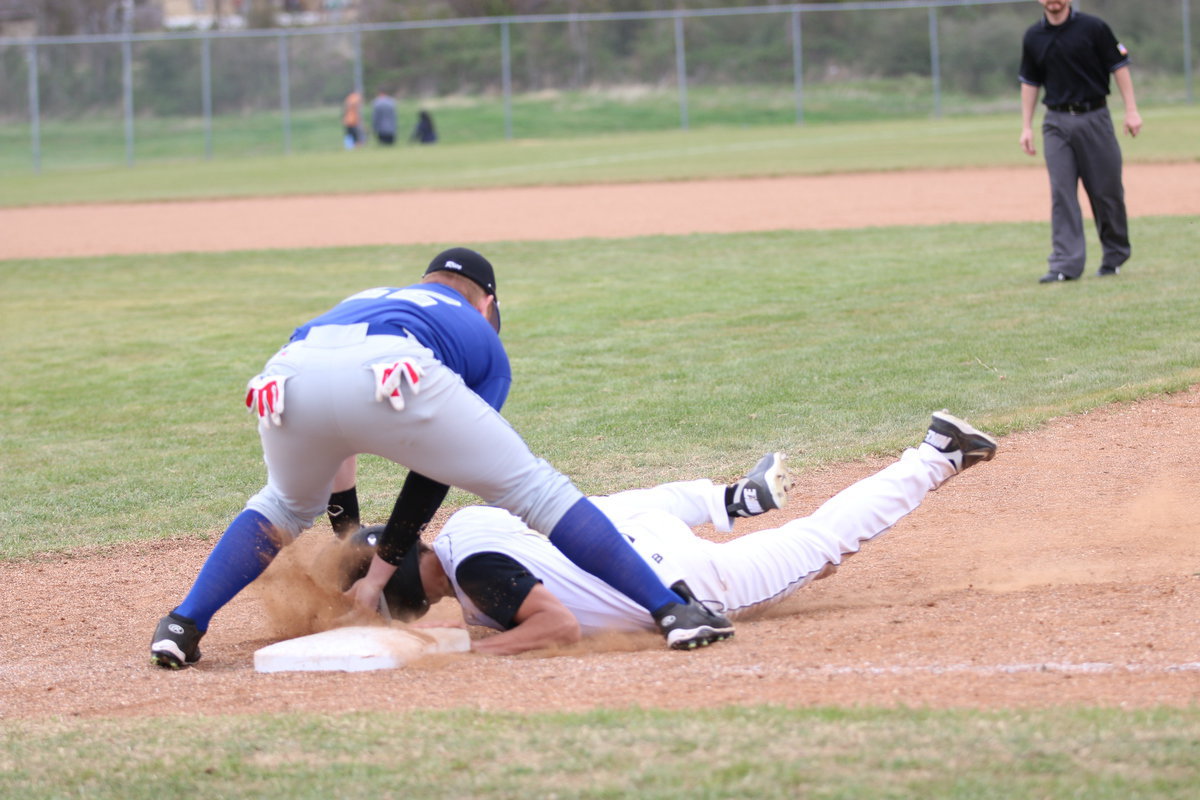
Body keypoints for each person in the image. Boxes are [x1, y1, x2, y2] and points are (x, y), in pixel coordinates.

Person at [149, 248, 736, 669]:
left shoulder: (372, 298)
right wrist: (383, 565)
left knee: (280, 505)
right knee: (539, 493)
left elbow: (339, 445)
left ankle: (183, 623)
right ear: (488, 305)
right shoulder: (479, 336)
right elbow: (434, 470)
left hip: (289, 373)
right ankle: (671, 611)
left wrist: (352, 546)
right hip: (391, 370)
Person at [347, 411, 997, 655]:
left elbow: (558, 627)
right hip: (634, 530)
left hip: (683, 582)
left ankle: (937, 453)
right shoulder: (468, 522)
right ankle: (726, 500)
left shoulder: (477, 581)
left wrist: (469, 654)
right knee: (609, 506)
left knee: (820, 545)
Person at [1018, 0, 1142, 284]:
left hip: (1094, 116)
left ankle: (1114, 255)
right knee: (1061, 193)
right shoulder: (1033, 36)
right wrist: (1026, 126)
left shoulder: (1093, 27)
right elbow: (1030, 82)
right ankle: (1065, 265)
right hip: (1056, 122)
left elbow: (1119, 66)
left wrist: (1131, 109)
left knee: (1105, 192)